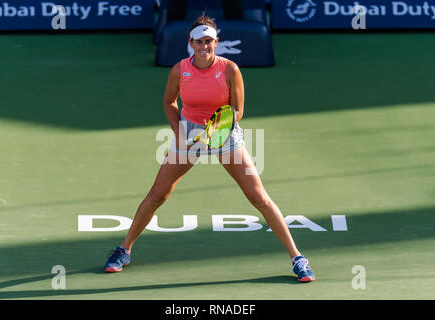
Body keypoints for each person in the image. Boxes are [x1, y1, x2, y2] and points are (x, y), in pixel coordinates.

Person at [104, 14, 315, 282]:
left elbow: (237, 110)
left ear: (216, 41)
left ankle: (298, 258)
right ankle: (124, 250)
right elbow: (170, 102)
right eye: (198, 41)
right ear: (190, 42)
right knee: (157, 194)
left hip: (224, 134)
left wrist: (217, 129)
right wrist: (179, 133)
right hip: (190, 133)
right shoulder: (179, 70)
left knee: (258, 197)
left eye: (209, 41)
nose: (204, 46)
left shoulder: (230, 70)